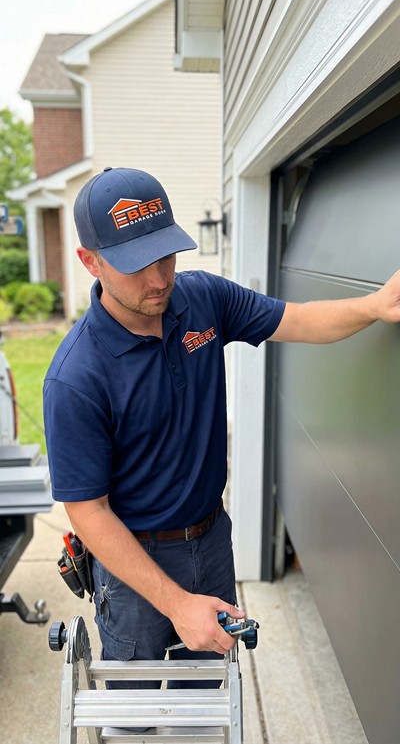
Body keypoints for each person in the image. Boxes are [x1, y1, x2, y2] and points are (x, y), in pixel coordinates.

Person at [44, 166, 400, 679]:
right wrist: (175, 602)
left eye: (165, 255)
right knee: (135, 710)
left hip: (209, 541)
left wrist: (375, 305)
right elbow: (88, 511)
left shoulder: (202, 299)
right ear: (90, 261)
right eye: (135, 264)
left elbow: (297, 320)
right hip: (131, 566)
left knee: (207, 695)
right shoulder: (75, 377)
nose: (159, 278)